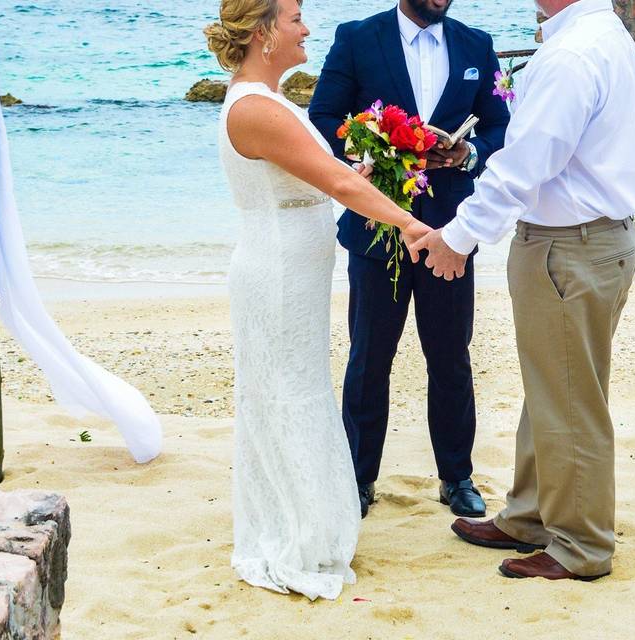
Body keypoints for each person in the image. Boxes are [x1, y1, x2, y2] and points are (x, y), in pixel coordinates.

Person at [412, 0, 635, 580]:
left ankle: (580, 546)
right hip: (589, 240)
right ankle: (528, 514)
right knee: (555, 384)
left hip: (567, 246)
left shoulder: (571, 53)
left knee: (570, 399)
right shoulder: (598, 32)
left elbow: (524, 166)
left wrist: (459, 237)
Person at [204, 0, 431, 600]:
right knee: (287, 391)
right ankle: (301, 536)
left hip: (291, 271)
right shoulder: (255, 107)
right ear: (263, 32)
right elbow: (334, 181)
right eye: (296, 18)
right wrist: (408, 224)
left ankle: (303, 521)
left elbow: (325, 171)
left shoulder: (269, 101)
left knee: (294, 386)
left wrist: (372, 162)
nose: (307, 29)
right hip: (276, 271)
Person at [309, 0, 510, 520]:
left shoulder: (476, 44)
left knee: (451, 355)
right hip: (376, 227)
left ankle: (456, 476)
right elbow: (324, 116)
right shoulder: (356, 37)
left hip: (451, 228)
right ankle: (357, 477)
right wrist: (363, 151)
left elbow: (498, 125)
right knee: (369, 357)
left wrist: (468, 154)